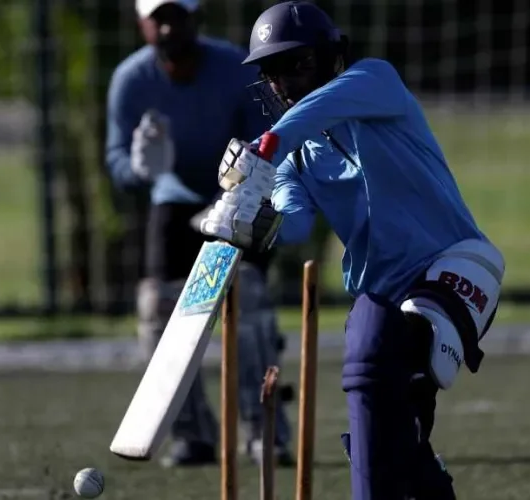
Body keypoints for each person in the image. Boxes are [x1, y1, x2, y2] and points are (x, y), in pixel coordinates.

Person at [201, 1, 506, 498]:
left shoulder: (374, 82)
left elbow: (313, 112)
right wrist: (256, 221)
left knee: (391, 354)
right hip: (382, 289)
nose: (283, 80)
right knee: (373, 392)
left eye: (295, 63)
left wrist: (264, 147)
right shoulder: (294, 157)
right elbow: (295, 225)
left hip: (455, 269)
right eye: (272, 71)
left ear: (329, 57)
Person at [105, 0, 294, 468]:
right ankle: (192, 434)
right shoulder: (131, 79)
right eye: (158, 18)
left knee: (246, 296)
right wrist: (138, 168)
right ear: (143, 23)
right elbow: (116, 162)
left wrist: (234, 195)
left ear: (197, 17)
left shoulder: (233, 68)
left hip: (238, 198)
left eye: (178, 16)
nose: (169, 27)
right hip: (172, 200)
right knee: (157, 305)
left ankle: (263, 427)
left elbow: (268, 142)